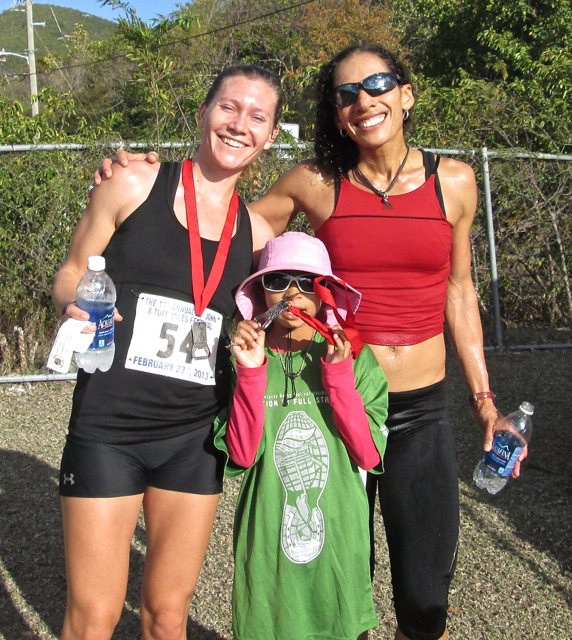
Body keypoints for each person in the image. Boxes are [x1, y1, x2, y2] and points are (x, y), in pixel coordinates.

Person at [99, 44, 525, 640]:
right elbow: (223, 227)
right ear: (336, 112)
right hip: (328, 405)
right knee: (334, 578)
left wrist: (484, 400)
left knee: (426, 598)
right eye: (346, 94)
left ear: (406, 94)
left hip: (418, 410)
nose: (363, 101)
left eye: (377, 84)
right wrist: (143, 186)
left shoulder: (452, 182)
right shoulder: (314, 184)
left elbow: (459, 291)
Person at [52, 64, 283, 640]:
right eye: (228, 108)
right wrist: (75, 303)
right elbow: (71, 270)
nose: (238, 125)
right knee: (94, 618)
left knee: (167, 615)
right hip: (111, 427)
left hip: (193, 438)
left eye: (258, 117)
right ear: (204, 112)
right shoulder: (133, 183)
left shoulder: (255, 233)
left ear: (273, 135)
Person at [214, 232, 389, 640]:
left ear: (326, 294)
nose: (292, 293)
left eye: (307, 282)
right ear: (260, 291)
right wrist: (253, 372)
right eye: (278, 281)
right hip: (269, 546)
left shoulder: (355, 358)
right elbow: (240, 455)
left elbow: (367, 453)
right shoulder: (238, 360)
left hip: (339, 546)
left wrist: (339, 377)